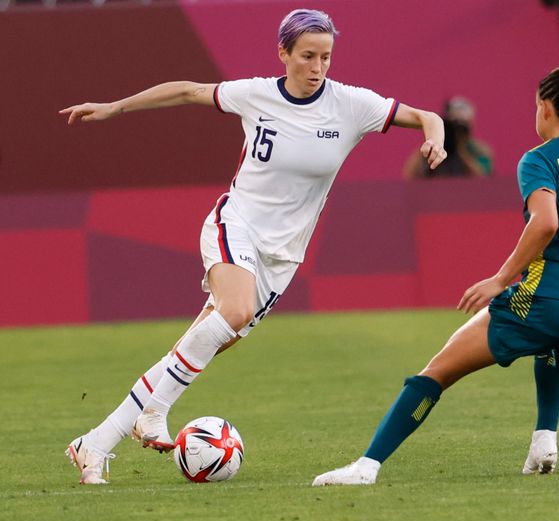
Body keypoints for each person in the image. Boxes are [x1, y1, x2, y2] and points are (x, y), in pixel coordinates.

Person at [59, 8, 446, 485]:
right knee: (234, 312)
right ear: (283, 53)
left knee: (199, 346)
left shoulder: (352, 105)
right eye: (306, 56)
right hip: (236, 224)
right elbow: (185, 89)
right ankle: (151, 414)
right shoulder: (256, 94)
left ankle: (95, 443)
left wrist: (435, 139)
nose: (317, 67)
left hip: (283, 257)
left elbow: (426, 116)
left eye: (325, 56)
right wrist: (115, 107)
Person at [312, 52, 559, 486]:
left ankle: (366, 467)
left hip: (549, 303)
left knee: (436, 371)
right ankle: (544, 439)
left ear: (546, 107)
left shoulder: (540, 159)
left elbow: (547, 221)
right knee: (554, 345)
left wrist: (500, 280)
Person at [403, 96, 493, 178]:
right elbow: (410, 175)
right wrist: (431, 142)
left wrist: (459, 148)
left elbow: (483, 179)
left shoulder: (480, 151)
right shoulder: (435, 148)